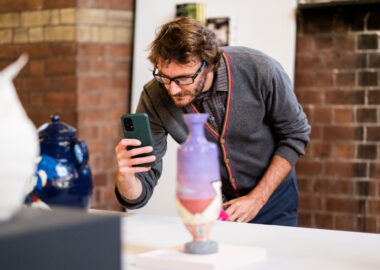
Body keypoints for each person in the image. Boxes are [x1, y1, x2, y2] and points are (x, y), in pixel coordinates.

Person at [115, 17, 310, 226]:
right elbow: (137, 198)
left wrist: (257, 199)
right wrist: (126, 177)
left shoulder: (260, 69)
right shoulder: (154, 96)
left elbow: (295, 134)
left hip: (274, 200)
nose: (173, 89)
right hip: (220, 207)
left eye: (183, 79)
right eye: (164, 77)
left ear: (208, 65)